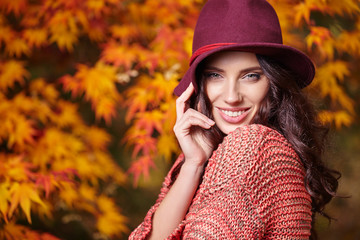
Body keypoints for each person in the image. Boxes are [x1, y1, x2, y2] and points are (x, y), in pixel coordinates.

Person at [129, 0, 340, 239]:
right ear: (200, 84)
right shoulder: (208, 152)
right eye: (215, 75)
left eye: (250, 76)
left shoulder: (255, 146)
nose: (231, 97)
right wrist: (192, 165)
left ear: (273, 82)